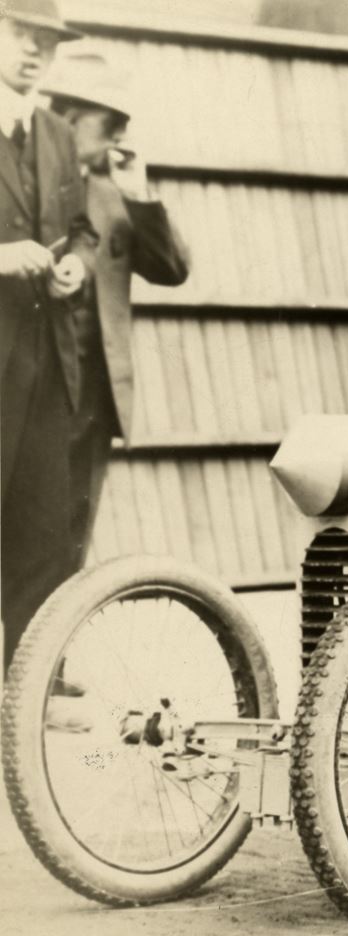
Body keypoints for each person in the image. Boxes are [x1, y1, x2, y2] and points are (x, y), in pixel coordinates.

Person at [42, 43, 191, 564]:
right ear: (71, 117)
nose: (120, 139)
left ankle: (43, 647)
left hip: (91, 401)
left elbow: (173, 269)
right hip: (23, 390)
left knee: (68, 545)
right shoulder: (19, 180)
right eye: (111, 126)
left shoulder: (115, 194)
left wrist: (141, 194)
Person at [0, 0, 96, 668]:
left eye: (46, 42)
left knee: (42, 536)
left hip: (47, 374)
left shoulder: (60, 135)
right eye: (19, 34)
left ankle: (22, 695)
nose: (35, 52)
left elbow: (85, 227)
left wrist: (76, 265)